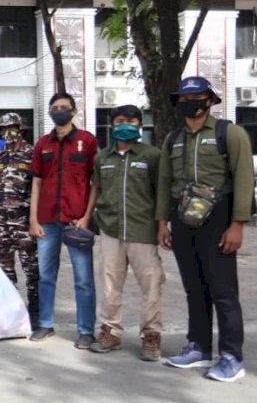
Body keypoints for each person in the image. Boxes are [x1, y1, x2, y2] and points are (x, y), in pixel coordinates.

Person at [157, 77, 253, 382]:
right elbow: (164, 182)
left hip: (218, 218)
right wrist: (162, 221)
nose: (191, 102)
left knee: (223, 290)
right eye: (185, 98)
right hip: (182, 218)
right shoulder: (173, 139)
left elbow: (243, 180)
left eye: (198, 96)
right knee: (193, 286)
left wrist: (237, 225)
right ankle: (198, 346)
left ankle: (231, 356)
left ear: (210, 100)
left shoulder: (230, 133)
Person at [88, 105, 164, 361]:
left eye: (132, 121)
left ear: (140, 125)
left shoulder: (152, 155)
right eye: (120, 121)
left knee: (151, 284)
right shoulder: (101, 158)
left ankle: (151, 335)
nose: (125, 125)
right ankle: (111, 331)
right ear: (111, 125)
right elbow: (96, 190)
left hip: (143, 229)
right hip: (110, 229)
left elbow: (161, 194)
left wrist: (163, 225)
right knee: (110, 283)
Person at [28, 92, 98, 349]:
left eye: (64, 107)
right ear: (49, 112)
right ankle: (45, 324)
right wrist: (33, 219)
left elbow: (95, 183)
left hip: (76, 221)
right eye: (54, 107)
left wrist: (87, 217)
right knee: (46, 275)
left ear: (74, 111)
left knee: (83, 278)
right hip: (46, 220)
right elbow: (36, 182)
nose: (59, 111)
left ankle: (86, 330)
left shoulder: (86, 141)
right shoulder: (43, 144)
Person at [0, 113, 39, 328]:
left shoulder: (32, 154)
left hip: (25, 223)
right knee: (4, 272)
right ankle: (11, 312)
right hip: (1, 225)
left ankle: (36, 316)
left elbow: (39, 188)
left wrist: (36, 220)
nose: (8, 132)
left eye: (12, 127)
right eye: (4, 129)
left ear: (21, 129)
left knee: (33, 271)